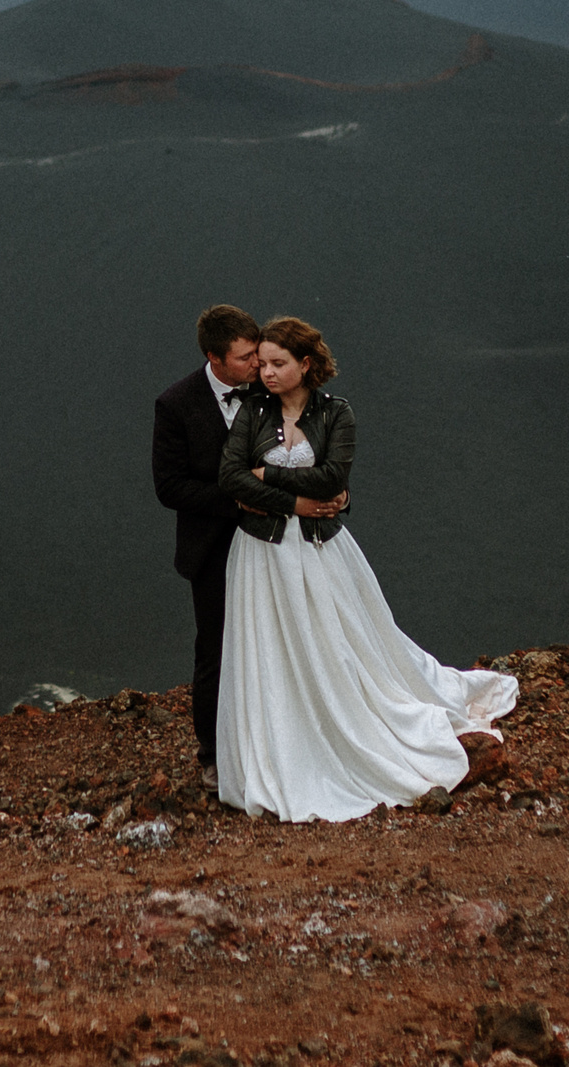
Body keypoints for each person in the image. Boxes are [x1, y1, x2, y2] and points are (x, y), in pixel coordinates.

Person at [214, 316, 517, 821]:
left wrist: (268, 476)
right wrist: (297, 503)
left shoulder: (337, 413)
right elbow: (230, 476)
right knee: (267, 648)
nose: (265, 373)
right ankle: (278, 750)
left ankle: (342, 733)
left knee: (335, 642)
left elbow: (334, 476)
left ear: (305, 364)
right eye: (262, 363)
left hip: (320, 552)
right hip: (261, 555)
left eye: (277, 363)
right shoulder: (253, 410)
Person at [148, 304, 267, 792]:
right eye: (245, 359)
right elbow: (169, 487)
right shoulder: (175, 404)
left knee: (278, 644)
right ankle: (214, 757)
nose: (257, 366)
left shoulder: (270, 389)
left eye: (258, 355)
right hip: (213, 549)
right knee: (216, 651)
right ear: (215, 359)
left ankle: (273, 746)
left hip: (275, 546)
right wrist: (238, 498)